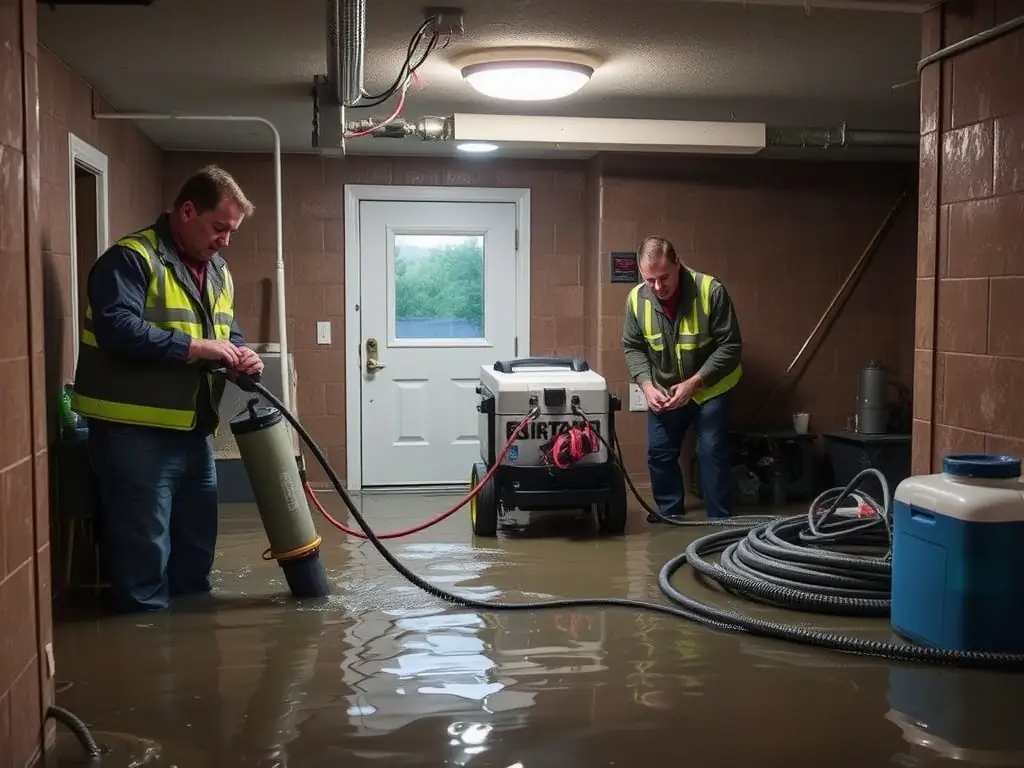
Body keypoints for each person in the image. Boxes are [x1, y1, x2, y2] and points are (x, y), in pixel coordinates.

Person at [72, 165, 264, 613]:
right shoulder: (131, 258)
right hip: (133, 433)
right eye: (219, 227)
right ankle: (148, 662)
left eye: (232, 231)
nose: (225, 240)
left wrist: (241, 358)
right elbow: (117, 328)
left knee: (195, 555)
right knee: (144, 561)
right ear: (187, 210)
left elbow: (226, 334)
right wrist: (198, 347)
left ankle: (194, 654)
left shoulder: (218, 270)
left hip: (193, 433)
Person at [621, 236, 743, 522]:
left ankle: (719, 519)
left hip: (711, 387)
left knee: (711, 450)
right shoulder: (637, 300)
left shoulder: (710, 290)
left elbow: (731, 346)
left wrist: (695, 382)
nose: (658, 287)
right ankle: (670, 511)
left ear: (678, 264)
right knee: (659, 452)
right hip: (665, 390)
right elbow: (633, 347)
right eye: (649, 279)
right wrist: (647, 384)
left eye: (664, 277)